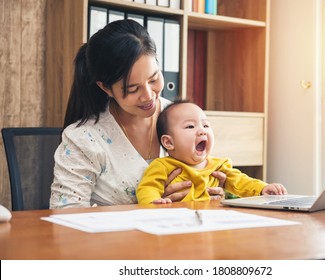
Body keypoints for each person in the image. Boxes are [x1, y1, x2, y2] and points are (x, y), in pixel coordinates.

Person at [49, 20, 225, 209]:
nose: (149, 96)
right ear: (106, 88)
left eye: (154, 79)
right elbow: (64, 216)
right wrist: (153, 204)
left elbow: (205, 171)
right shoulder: (85, 139)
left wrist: (214, 193)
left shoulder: (182, 117)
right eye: (133, 89)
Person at [136, 100, 288, 205]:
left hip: (211, 219)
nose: (202, 131)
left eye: (206, 125)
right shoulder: (163, 166)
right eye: (190, 126)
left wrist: (262, 189)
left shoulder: (218, 165)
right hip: (177, 220)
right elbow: (148, 187)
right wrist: (153, 203)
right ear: (169, 142)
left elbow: (241, 181)